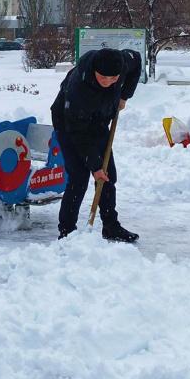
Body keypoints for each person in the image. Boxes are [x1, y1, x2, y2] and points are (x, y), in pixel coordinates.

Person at [51, 47, 141, 243]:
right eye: (104, 78)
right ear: (94, 72)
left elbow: (138, 60)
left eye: (113, 78)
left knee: (108, 176)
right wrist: (95, 166)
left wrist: (124, 95)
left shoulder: (123, 62)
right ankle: (67, 232)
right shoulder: (79, 89)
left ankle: (110, 226)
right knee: (79, 177)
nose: (109, 83)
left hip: (99, 120)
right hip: (69, 125)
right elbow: (79, 134)